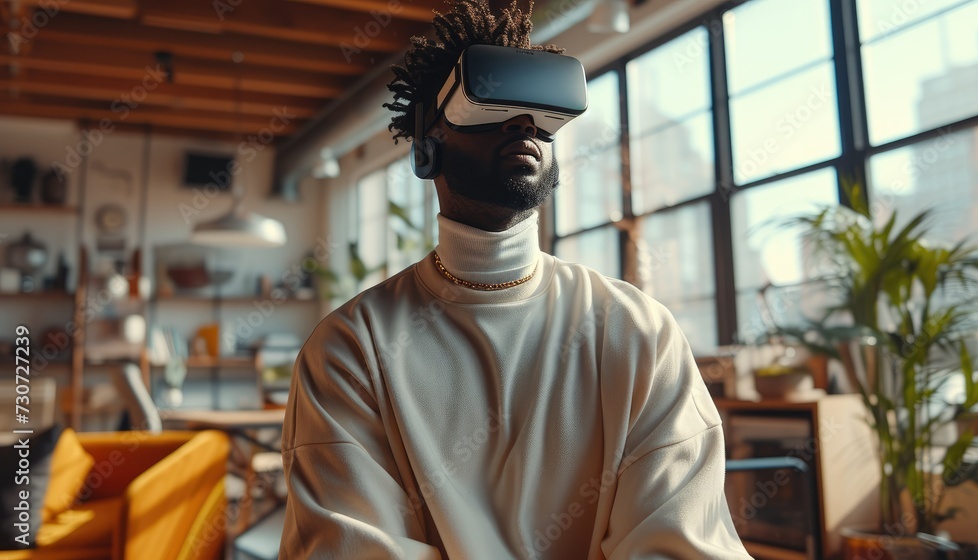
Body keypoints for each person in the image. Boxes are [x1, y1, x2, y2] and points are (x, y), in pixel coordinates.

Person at [279, 0, 752, 558]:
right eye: (491, 102)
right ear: (427, 149)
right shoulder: (351, 348)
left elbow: (681, 543)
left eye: (539, 111)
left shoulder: (637, 330)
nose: (523, 123)